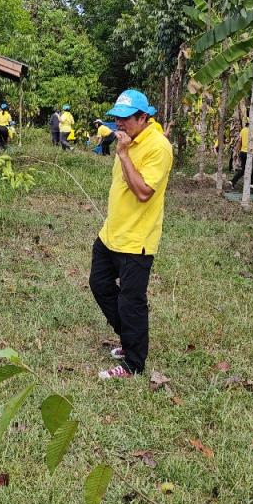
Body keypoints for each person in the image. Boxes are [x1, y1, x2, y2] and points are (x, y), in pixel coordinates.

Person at [90, 90, 174, 380]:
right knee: (99, 284)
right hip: (111, 233)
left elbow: (142, 192)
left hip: (137, 240)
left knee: (131, 302)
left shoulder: (158, 147)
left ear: (143, 117)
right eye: (116, 118)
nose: (118, 124)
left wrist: (124, 154)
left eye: (125, 119)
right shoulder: (126, 138)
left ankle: (134, 364)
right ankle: (128, 340)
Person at [230, 115, 253, 190]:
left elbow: (239, 141)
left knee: (244, 169)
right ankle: (251, 184)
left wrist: (237, 151)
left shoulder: (243, 130)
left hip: (243, 152)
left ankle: (233, 181)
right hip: (251, 153)